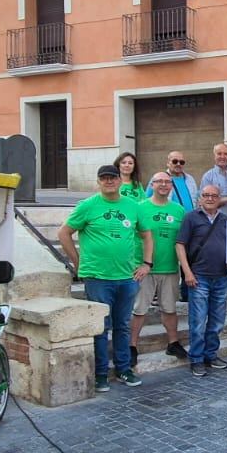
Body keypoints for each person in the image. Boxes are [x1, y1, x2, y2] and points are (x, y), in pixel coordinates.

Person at [57, 164, 142, 391]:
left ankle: (124, 369)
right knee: (100, 328)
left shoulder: (132, 206)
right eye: (104, 178)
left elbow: (146, 234)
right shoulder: (88, 206)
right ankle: (101, 373)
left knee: (123, 325)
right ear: (98, 181)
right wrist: (78, 262)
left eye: (112, 178)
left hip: (126, 276)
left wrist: (146, 263)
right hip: (97, 277)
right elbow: (64, 233)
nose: (109, 181)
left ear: (119, 180)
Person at [132, 171, 189, 362]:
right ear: (152, 185)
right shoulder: (139, 208)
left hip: (170, 267)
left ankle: (173, 343)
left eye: (167, 182)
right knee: (139, 309)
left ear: (171, 186)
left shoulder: (179, 210)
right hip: (144, 269)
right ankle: (132, 346)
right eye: (159, 182)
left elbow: (183, 239)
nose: (163, 185)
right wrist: (136, 263)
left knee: (170, 309)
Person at [177, 184, 227, 376]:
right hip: (198, 277)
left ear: (219, 198)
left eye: (214, 195)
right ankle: (197, 359)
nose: (210, 198)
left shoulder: (226, 220)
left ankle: (211, 354)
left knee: (217, 321)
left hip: (221, 277)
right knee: (198, 321)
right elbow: (180, 245)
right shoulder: (191, 217)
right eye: (206, 195)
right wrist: (187, 273)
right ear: (200, 198)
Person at [199, 143, 227, 297]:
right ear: (214, 155)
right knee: (218, 253)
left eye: (225, 154)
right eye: (219, 154)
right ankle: (218, 286)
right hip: (216, 222)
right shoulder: (208, 176)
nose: (222, 157)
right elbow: (205, 201)